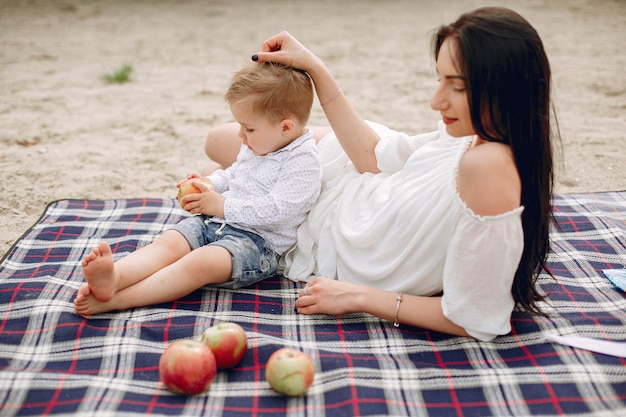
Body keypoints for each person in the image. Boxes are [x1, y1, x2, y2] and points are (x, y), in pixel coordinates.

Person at [202, 7, 558, 341]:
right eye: (440, 80)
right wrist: (314, 67)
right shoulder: (477, 134)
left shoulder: (487, 166)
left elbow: (473, 318)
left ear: (506, 89)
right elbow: (373, 157)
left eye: (458, 86)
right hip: (367, 182)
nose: (436, 101)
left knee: (221, 160)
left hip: (342, 221)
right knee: (220, 144)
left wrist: (357, 296)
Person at [74, 62, 321, 316]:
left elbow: (276, 211)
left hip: (256, 245)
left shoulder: (303, 163)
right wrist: (211, 183)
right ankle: (117, 277)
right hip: (214, 223)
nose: (240, 135)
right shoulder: (261, 143)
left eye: (248, 128)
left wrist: (221, 205)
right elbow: (237, 174)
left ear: (286, 127)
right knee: (170, 242)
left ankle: (120, 299)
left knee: (199, 263)